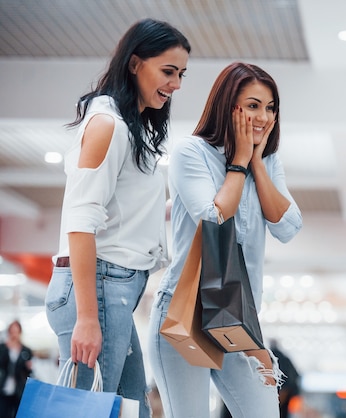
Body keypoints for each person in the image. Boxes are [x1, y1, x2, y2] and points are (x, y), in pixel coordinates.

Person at [44, 18, 190, 418]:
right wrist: (89, 318)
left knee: (130, 411)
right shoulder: (108, 124)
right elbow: (80, 222)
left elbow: (122, 212)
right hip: (99, 290)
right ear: (134, 64)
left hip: (114, 292)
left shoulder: (129, 127)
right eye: (168, 71)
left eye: (181, 74)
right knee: (87, 412)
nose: (176, 84)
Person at [148, 61, 303, 418]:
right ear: (228, 106)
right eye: (252, 105)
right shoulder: (192, 153)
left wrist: (257, 164)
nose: (263, 117)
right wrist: (238, 163)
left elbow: (288, 227)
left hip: (238, 316)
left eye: (270, 107)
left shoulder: (268, 161)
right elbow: (213, 217)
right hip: (186, 310)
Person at [0, 321, 33, 418]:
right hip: (3, 386)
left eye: (16, 331)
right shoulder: (2, 348)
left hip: (19, 388)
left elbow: (29, 372)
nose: (14, 334)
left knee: (18, 413)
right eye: (12, 331)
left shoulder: (26, 350)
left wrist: (28, 367)